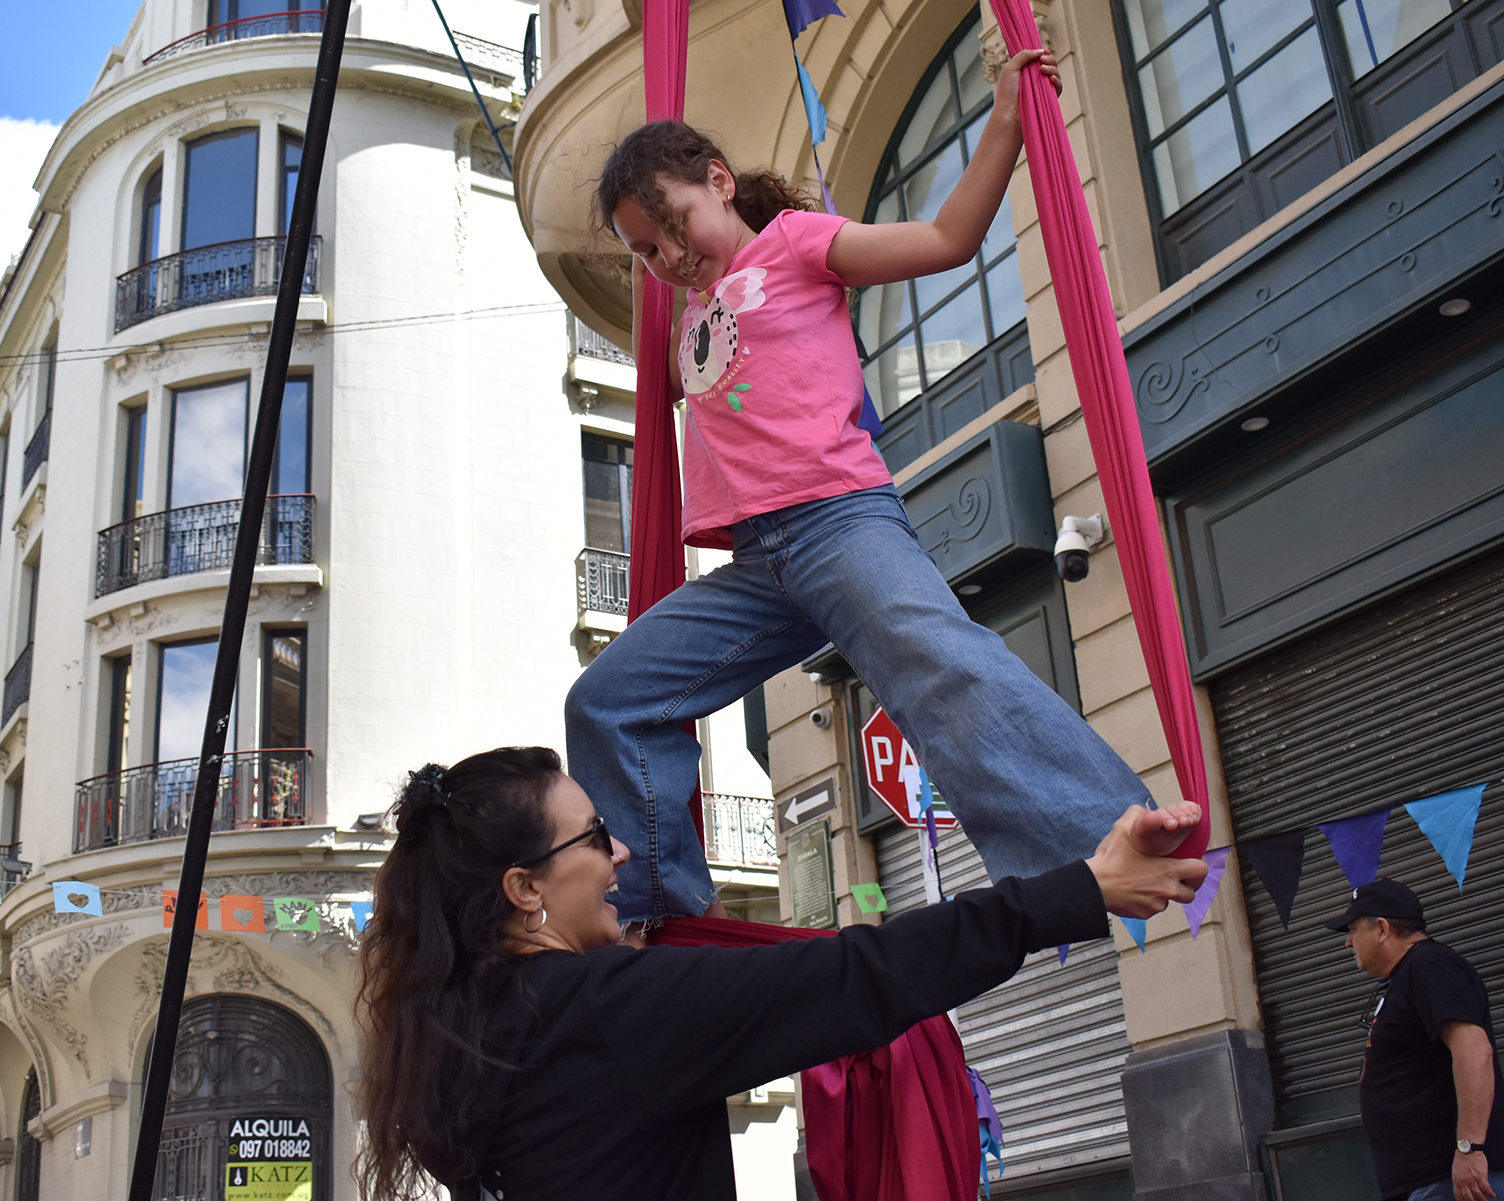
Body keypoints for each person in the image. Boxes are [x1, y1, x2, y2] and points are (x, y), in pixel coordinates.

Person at [569, 47, 1174, 929]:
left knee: (944, 672)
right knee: (608, 700)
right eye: (645, 250)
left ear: (721, 181)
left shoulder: (798, 245)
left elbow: (945, 240)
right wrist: (646, 271)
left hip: (839, 524)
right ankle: (661, 912)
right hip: (759, 567)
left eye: (673, 227)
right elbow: (662, 382)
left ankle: (1105, 834)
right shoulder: (689, 311)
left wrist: (1005, 118)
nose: (667, 258)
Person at [355, 747, 1208, 1201]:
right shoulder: (604, 1012)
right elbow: (857, 975)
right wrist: (1080, 889)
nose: (619, 851)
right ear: (524, 887)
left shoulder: (465, 1039)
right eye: (593, 834)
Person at [1328, 878, 1504, 1200]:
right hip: (1432, 1182)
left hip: (1458, 1182)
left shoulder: (1429, 965)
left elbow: (1474, 1050)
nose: (1348, 942)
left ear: (1382, 929)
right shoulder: (1409, 975)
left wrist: (1469, 1148)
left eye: (1352, 929)